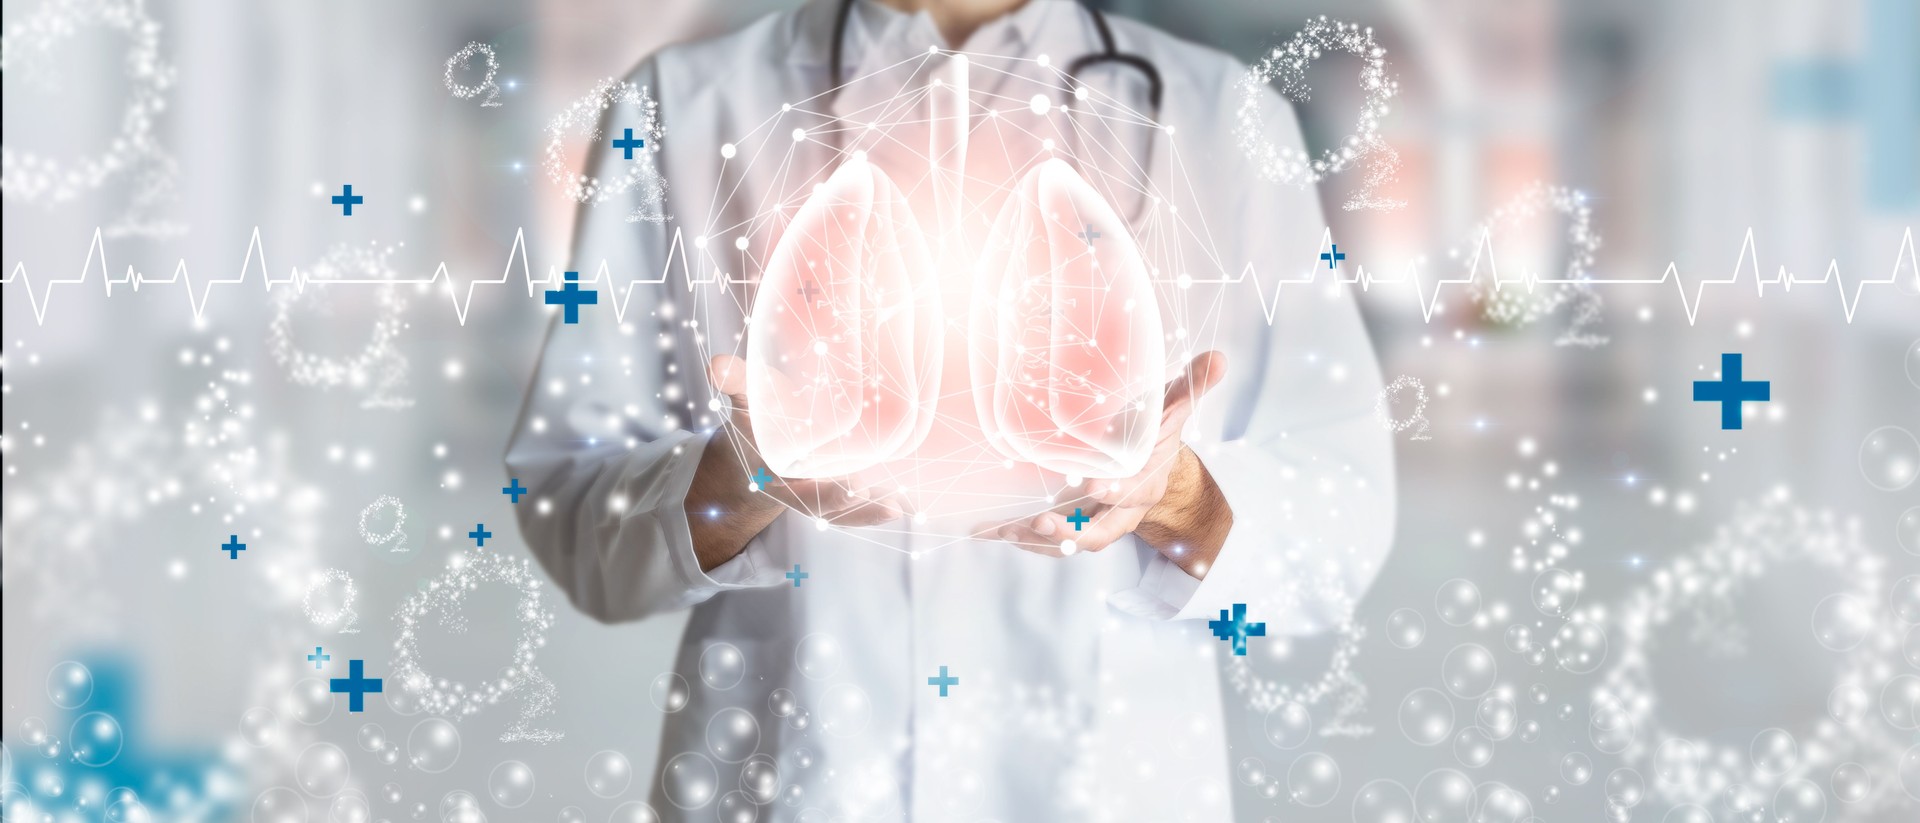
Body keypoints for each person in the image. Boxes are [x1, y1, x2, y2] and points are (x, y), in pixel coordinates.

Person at [505, 0, 1394, 818]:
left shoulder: (1220, 117)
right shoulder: (683, 103)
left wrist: (1180, 498)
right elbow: (571, 509)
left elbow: (1339, 521)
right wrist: (729, 488)